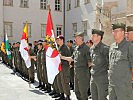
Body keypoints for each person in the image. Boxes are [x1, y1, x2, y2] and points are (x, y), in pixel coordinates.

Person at [60, 32, 91, 100]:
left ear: (81, 38)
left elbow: (90, 62)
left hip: (83, 76)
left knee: (83, 93)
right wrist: (62, 57)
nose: (75, 40)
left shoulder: (86, 49)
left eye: (76, 38)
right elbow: (72, 58)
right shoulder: (77, 48)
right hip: (76, 74)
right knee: (77, 92)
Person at [109, 23, 133, 100]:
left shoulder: (129, 46)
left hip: (124, 86)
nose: (114, 33)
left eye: (116, 31)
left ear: (123, 33)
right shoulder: (112, 46)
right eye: (113, 31)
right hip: (112, 85)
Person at [90, 29, 109, 100]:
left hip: (101, 78)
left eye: (94, 35)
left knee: (102, 98)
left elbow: (110, 63)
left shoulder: (105, 48)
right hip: (93, 77)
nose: (92, 37)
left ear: (99, 37)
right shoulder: (92, 49)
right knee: (94, 97)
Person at [56, 35, 71, 100]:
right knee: (60, 81)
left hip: (64, 67)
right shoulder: (59, 47)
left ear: (62, 40)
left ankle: (67, 96)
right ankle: (62, 95)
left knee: (65, 82)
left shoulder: (65, 48)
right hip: (60, 67)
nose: (57, 41)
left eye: (58, 39)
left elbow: (69, 59)